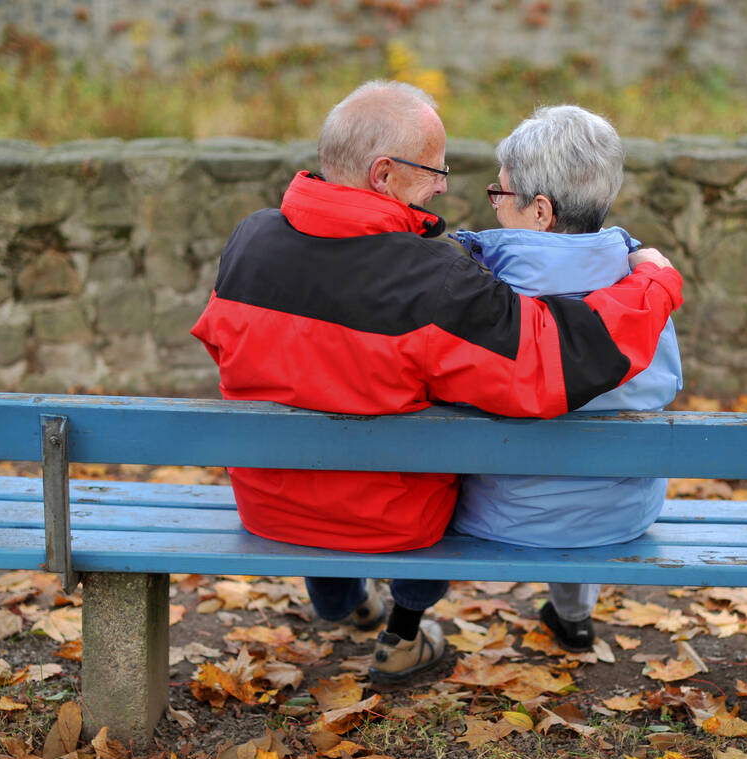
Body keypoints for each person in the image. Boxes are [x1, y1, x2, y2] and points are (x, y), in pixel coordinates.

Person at [190, 81, 683, 682]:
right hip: (392, 523)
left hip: (267, 504)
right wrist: (653, 282)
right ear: (382, 174)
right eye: (434, 171)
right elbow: (552, 362)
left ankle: (340, 602)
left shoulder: (248, 241)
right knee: (444, 463)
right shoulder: (431, 280)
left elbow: (223, 344)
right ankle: (404, 628)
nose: (445, 186)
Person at [449, 106, 683, 653]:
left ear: (540, 211)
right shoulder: (646, 292)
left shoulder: (484, 291)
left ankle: (404, 621)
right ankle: (573, 612)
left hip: (502, 515)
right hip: (621, 516)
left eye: (499, 194)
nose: (494, 204)